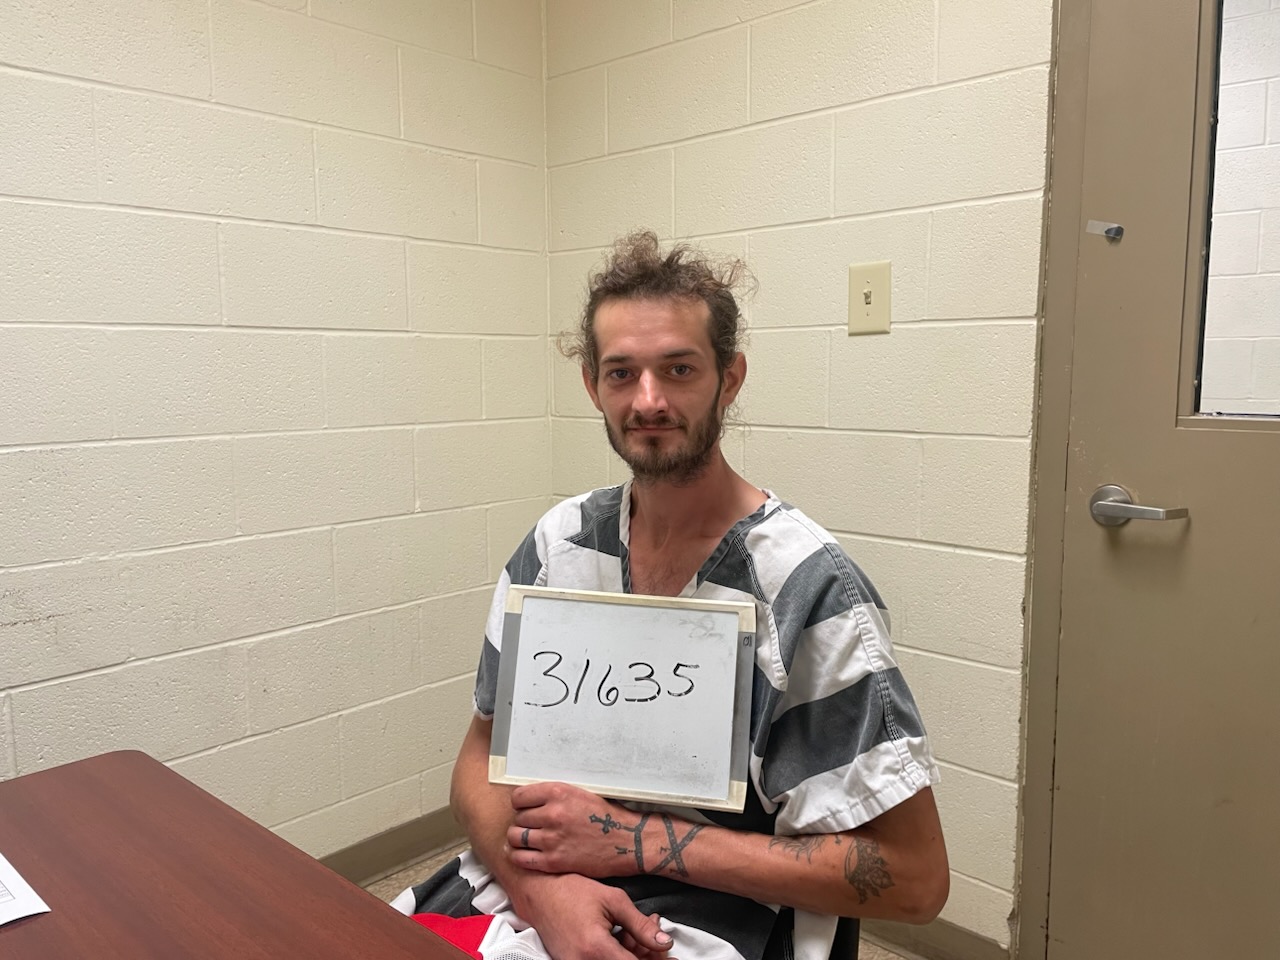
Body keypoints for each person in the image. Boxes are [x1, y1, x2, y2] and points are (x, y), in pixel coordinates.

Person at [393, 231, 949, 960]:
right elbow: (479, 757)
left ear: (731, 377)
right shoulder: (559, 547)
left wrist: (632, 841)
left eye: (678, 369)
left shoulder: (806, 592)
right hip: (535, 882)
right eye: (622, 373)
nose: (648, 400)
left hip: (721, 914)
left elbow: (914, 880)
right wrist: (545, 896)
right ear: (593, 384)